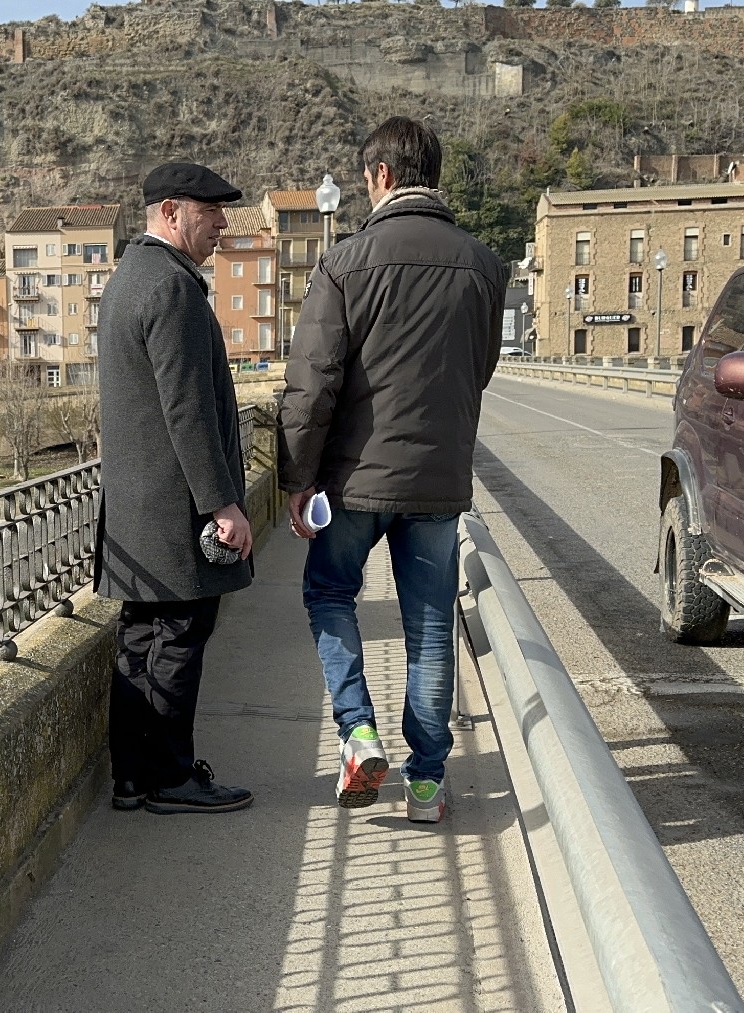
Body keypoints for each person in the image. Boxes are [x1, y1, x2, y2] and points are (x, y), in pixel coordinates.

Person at [278, 117, 507, 823]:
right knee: (431, 627)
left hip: (353, 481)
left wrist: (298, 478)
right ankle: (428, 783)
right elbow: (481, 368)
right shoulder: (484, 265)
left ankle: (358, 733)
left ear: (380, 175)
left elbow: (312, 382)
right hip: (438, 480)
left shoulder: (344, 263)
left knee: (328, 593)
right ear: (431, 174)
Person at [96, 162, 255, 816]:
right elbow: (187, 410)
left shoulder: (128, 278)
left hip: (134, 508)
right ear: (171, 211)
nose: (222, 222)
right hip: (174, 509)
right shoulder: (171, 287)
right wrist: (223, 504)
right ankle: (171, 776)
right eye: (209, 210)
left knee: (140, 640)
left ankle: (132, 776)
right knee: (180, 637)